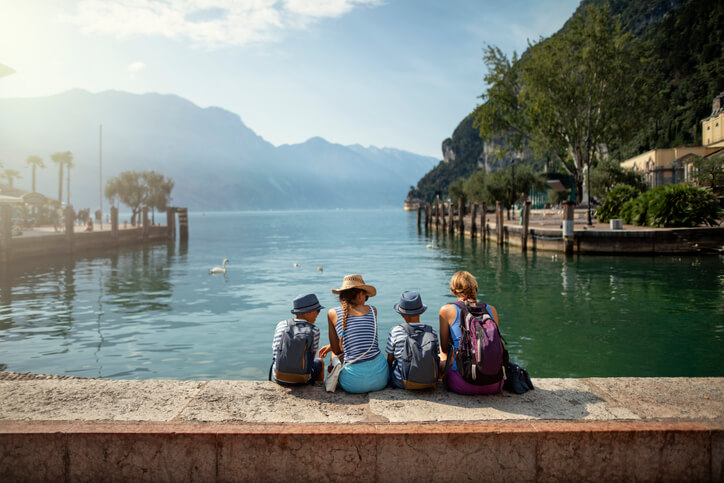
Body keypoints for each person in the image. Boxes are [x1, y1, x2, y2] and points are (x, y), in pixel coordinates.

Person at [439, 270, 503, 395]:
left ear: (453, 291)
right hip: (495, 384)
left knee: (441, 352)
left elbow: (445, 347)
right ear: (475, 288)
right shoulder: (491, 310)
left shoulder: (446, 310)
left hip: (463, 384)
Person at [327, 274, 388, 393]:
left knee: (333, 355)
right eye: (366, 296)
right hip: (381, 379)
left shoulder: (332, 313)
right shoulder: (372, 310)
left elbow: (337, 351)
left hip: (353, 384)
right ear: (360, 295)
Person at [270, 293, 329, 386]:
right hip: (302, 379)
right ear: (308, 312)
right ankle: (317, 389)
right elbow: (310, 358)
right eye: (317, 311)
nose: (318, 314)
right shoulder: (314, 330)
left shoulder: (282, 325)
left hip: (278, 377)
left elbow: (275, 352)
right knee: (319, 362)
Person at [386, 290, 440, 389]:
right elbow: (436, 355)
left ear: (402, 314)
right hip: (430, 380)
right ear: (421, 312)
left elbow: (390, 358)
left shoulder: (395, 331)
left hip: (402, 382)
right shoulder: (432, 331)